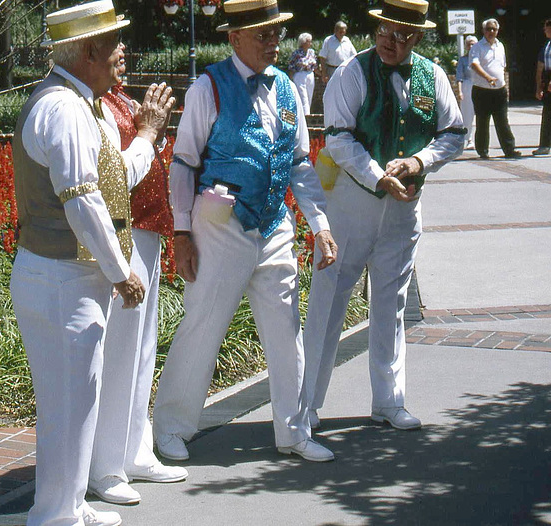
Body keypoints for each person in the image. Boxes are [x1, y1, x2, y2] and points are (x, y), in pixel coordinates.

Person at [153, 0, 338, 464]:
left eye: (275, 33)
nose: (272, 42)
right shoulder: (208, 86)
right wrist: (180, 233)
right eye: (262, 34)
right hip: (219, 224)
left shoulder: (288, 88)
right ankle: (171, 427)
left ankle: (293, 432)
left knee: (285, 327)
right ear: (234, 38)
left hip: (274, 223)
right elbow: (184, 161)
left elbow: (298, 162)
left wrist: (320, 224)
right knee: (204, 321)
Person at [10, 0, 174, 523]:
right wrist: (119, 269)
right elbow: (81, 199)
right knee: (68, 406)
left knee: (75, 402)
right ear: (88, 52)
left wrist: (146, 136)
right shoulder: (63, 108)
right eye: (112, 46)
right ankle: (56, 514)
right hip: (61, 280)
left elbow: (113, 179)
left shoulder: (84, 105)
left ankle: (69, 506)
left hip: (66, 279)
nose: (120, 53)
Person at [304, 0, 464, 432]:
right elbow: (337, 138)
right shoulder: (351, 72)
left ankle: (389, 402)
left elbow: (454, 134)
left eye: (403, 35)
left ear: (418, 36)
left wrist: (418, 161)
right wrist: (378, 177)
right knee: (330, 300)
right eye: (385, 33)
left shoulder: (432, 76)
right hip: (352, 208)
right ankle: (306, 404)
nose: (391, 42)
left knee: (391, 304)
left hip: (403, 213)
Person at [88, 83, 188, 506]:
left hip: (145, 229)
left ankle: (135, 451)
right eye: (113, 42)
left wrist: (154, 129)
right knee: (120, 351)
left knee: (143, 349)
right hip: (120, 233)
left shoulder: (123, 97)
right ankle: (104, 467)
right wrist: (147, 133)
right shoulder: (92, 104)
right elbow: (114, 173)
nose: (122, 50)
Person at [469, 18, 521, 159]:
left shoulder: (500, 46)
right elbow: (474, 64)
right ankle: (483, 151)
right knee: (482, 122)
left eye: (494, 29)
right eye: (488, 29)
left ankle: (510, 150)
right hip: (481, 90)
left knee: (502, 121)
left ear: (497, 31)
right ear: (483, 31)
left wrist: (502, 84)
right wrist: (488, 77)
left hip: (499, 91)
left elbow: (502, 66)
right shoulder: (477, 47)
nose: (491, 32)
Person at [456, 35, 478, 149]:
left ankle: (478, 140)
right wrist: (460, 92)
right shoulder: (463, 60)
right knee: (467, 115)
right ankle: (468, 139)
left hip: (479, 86)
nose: (471, 46)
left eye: (473, 43)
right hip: (467, 87)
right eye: (469, 44)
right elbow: (459, 77)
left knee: (479, 115)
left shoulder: (480, 58)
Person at [533, 19, 551, 156]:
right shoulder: (546, 46)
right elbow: (540, 67)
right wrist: (539, 87)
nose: (544, 31)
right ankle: (545, 145)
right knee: (547, 115)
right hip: (547, 80)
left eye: (546, 28)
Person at [288, 32, 317, 115]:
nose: (311, 43)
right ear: (303, 42)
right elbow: (291, 67)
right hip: (300, 75)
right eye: (309, 41)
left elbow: (315, 66)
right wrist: (291, 79)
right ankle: (305, 117)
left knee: (309, 97)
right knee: (303, 98)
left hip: (310, 75)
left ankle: (307, 116)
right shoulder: (296, 53)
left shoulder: (311, 52)